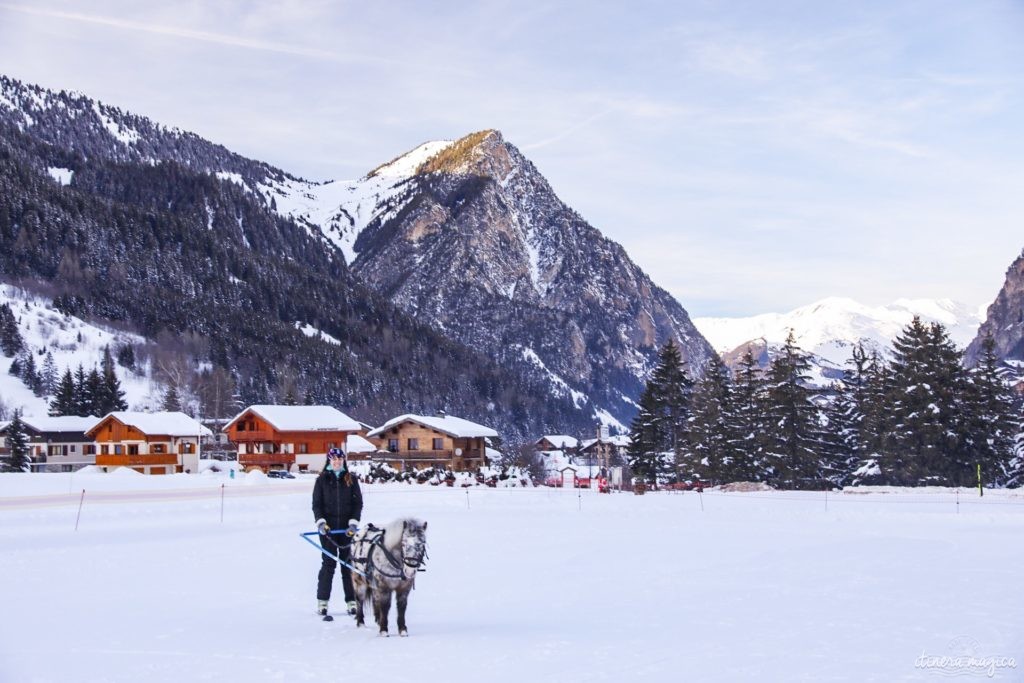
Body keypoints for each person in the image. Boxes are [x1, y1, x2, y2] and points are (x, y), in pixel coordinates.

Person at [313, 447, 363, 617]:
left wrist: (353, 524)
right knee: (328, 564)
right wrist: (321, 522)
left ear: (343, 461)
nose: (337, 462)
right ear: (329, 461)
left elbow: (358, 504)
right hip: (327, 530)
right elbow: (316, 505)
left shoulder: (351, 479)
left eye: (340, 460)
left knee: (347, 565)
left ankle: (351, 602)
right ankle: (322, 602)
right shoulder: (321, 480)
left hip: (346, 530)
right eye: (334, 459)